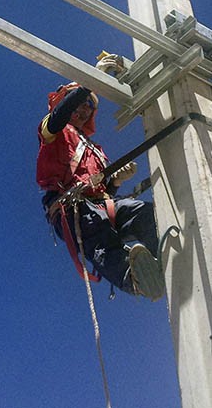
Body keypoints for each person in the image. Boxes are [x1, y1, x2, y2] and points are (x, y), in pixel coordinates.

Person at [36, 82, 164, 300]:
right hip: (73, 208)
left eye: (90, 105)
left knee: (144, 214)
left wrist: (116, 181)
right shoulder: (53, 131)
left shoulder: (94, 148)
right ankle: (134, 278)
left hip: (100, 203)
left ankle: (161, 261)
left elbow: (102, 192)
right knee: (99, 237)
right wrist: (89, 83)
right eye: (81, 101)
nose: (86, 108)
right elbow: (58, 117)